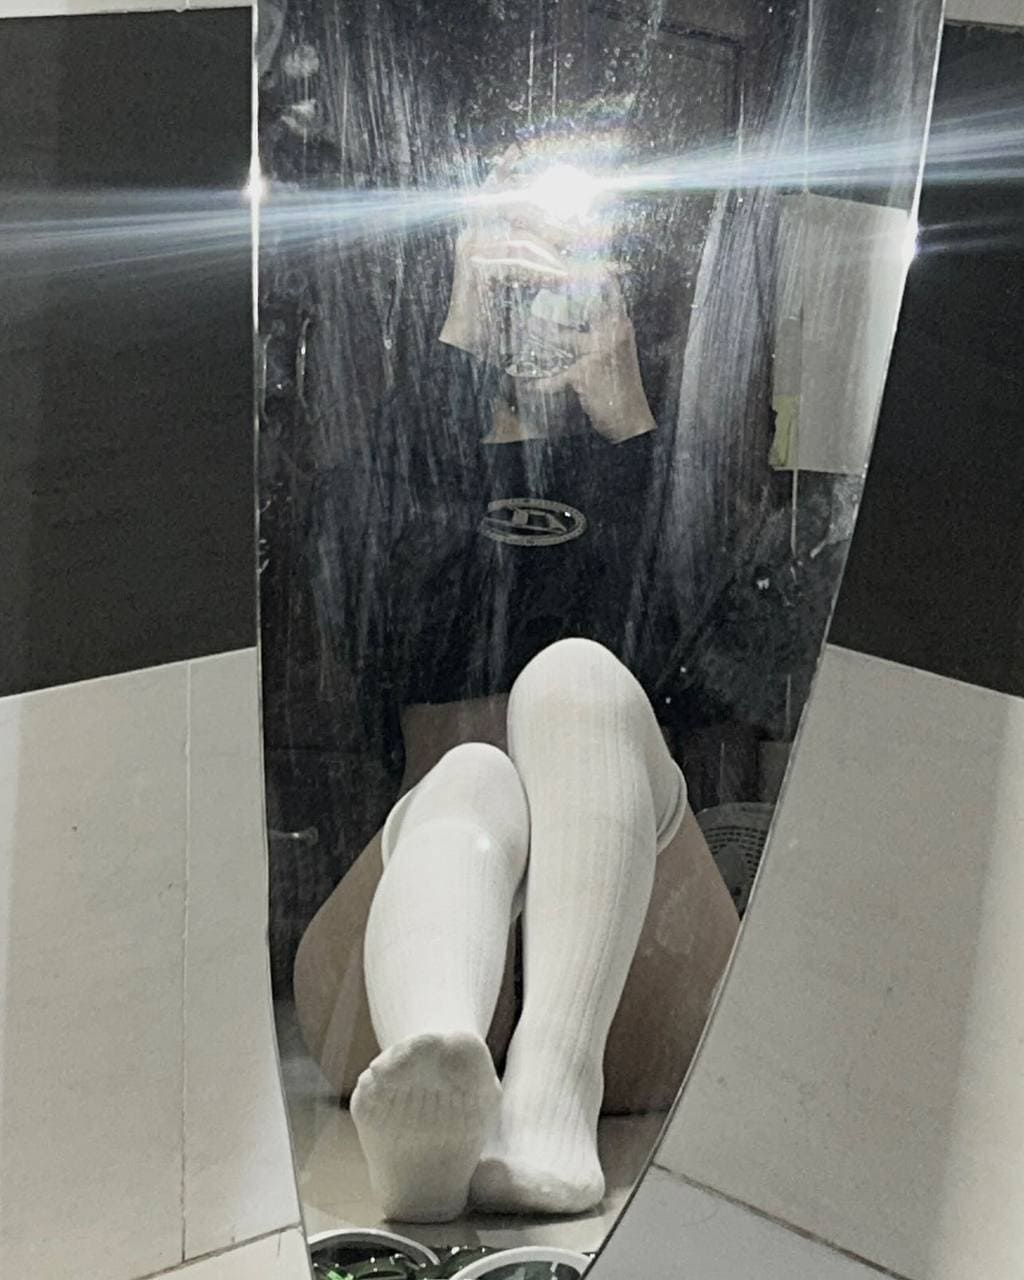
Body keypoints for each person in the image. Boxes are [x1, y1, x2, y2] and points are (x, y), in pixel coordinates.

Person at [292, 135, 739, 1223]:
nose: (539, 279)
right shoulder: (404, 457)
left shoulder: (647, 462)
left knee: (578, 681)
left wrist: (628, 424)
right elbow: (361, 616)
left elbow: (704, 665)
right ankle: (439, 1064)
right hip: (423, 918)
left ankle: (549, 1087)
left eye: (570, 252)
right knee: (473, 777)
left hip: (635, 968)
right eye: (512, 247)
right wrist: (458, 345)